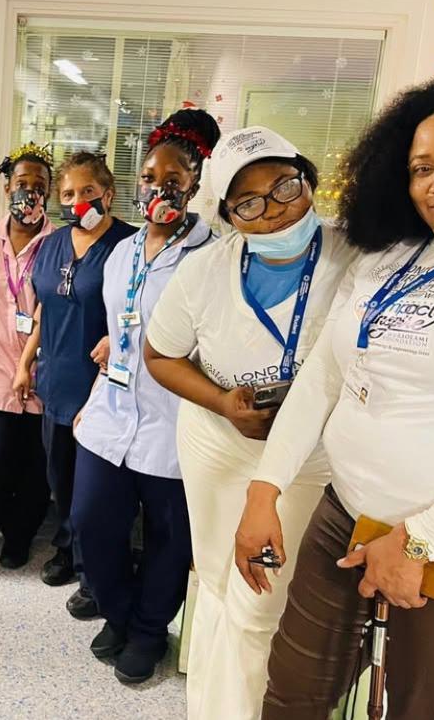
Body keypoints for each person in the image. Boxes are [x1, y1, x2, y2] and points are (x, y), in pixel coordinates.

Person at [236, 75, 434, 720]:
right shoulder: (390, 254)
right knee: (291, 696)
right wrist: (264, 489)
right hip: (345, 514)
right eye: (421, 168)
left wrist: (420, 541)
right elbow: (325, 377)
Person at [143, 125, 357, 720]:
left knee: (263, 599)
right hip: (217, 444)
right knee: (216, 580)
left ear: (308, 178)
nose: (275, 211)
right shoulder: (204, 271)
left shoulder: (358, 255)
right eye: (249, 204)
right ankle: (208, 703)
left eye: (285, 187)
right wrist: (222, 403)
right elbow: (159, 355)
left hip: (307, 459)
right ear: (228, 215)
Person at [73, 110, 218, 685]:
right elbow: (119, 332)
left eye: (174, 180)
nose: (160, 189)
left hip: (174, 423)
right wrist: (92, 396)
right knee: (91, 522)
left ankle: (149, 631)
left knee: (168, 539)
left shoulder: (212, 257)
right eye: (150, 178)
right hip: (110, 417)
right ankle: (119, 612)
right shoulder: (122, 252)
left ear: (194, 184)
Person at [13, 151, 138, 617]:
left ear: (109, 193)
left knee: (96, 492)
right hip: (57, 380)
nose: (78, 200)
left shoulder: (129, 245)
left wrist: (115, 338)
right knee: (61, 479)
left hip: (104, 386)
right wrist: (25, 363)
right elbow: (44, 308)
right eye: (68, 193)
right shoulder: (52, 244)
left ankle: (94, 573)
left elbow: (145, 309)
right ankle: (67, 549)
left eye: (88, 191)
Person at [0, 143, 55, 569]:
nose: (30, 191)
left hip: (45, 370)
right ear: (7, 188)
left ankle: (22, 534)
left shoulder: (61, 244)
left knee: (38, 463)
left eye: (40, 184)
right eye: (22, 182)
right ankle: (10, 526)